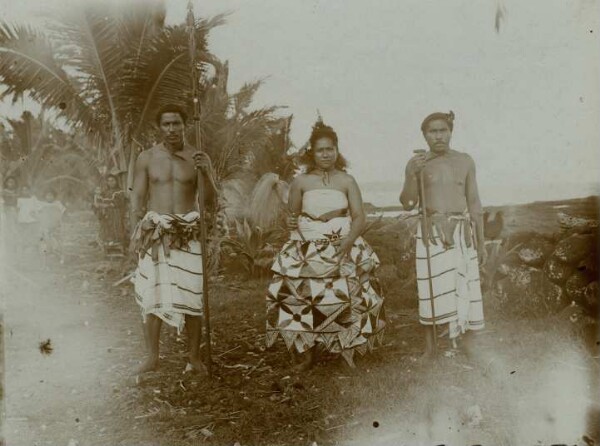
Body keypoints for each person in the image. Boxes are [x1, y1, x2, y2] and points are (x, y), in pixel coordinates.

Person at [266, 117, 385, 370]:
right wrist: (290, 223)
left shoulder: (347, 180)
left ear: (337, 150)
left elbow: (359, 216)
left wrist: (348, 242)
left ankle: (347, 351)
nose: (326, 154)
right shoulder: (301, 182)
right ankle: (307, 353)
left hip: (343, 244)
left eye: (330, 149)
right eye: (320, 150)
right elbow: (293, 215)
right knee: (299, 297)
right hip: (307, 248)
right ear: (312, 152)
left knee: (349, 296)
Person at [130, 104, 217, 374]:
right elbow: (137, 198)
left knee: (192, 293)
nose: (171, 129)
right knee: (152, 294)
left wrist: (206, 173)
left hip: (187, 232)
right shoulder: (146, 157)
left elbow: (210, 199)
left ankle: (194, 357)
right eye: (166, 124)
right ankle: (152, 357)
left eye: (176, 123)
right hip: (156, 232)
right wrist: (135, 233)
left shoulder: (198, 157)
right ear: (159, 127)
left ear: (185, 125)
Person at [400, 111, 485, 357]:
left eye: (443, 130)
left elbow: (475, 202)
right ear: (424, 135)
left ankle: (467, 340)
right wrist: (410, 174)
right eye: (432, 131)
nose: (438, 136)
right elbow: (407, 203)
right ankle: (430, 344)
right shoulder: (418, 163)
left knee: (465, 284)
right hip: (431, 231)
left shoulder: (465, 161)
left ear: (451, 132)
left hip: (461, 232)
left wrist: (481, 242)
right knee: (430, 287)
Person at [94, 174, 127, 256]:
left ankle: (118, 245)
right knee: (106, 228)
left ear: (116, 181)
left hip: (116, 213)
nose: (110, 183)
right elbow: (99, 201)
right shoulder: (105, 192)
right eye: (108, 181)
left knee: (116, 227)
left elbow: (119, 203)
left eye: (112, 180)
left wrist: (107, 205)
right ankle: (108, 245)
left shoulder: (119, 191)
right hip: (107, 214)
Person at [36, 189, 66, 267]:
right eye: (48, 195)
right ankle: (45, 262)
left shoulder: (57, 204)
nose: (49, 197)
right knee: (45, 243)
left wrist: (60, 221)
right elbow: (37, 213)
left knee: (57, 242)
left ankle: (61, 258)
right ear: (45, 196)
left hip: (56, 226)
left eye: (51, 195)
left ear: (54, 196)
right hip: (46, 226)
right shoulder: (42, 204)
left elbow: (63, 212)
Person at [16, 185, 42, 256]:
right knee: (24, 235)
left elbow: (39, 208)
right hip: (22, 220)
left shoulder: (33, 198)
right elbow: (18, 210)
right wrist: (18, 218)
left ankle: (32, 251)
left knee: (32, 235)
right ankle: (24, 251)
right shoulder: (19, 199)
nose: (25, 191)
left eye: (26, 190)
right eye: (23, 190)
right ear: (21, 191)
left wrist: (35, 214)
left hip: (32, 220)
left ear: (29, 191)